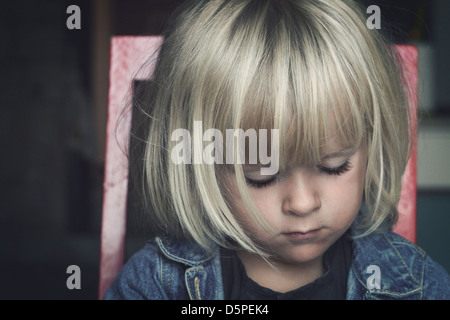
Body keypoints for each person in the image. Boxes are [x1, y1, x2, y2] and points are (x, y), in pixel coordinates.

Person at [104, 0, 450, 300]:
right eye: (262, 175)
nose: (302, 204)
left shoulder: (413, 282)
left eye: (334, 166)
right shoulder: (158, 285)